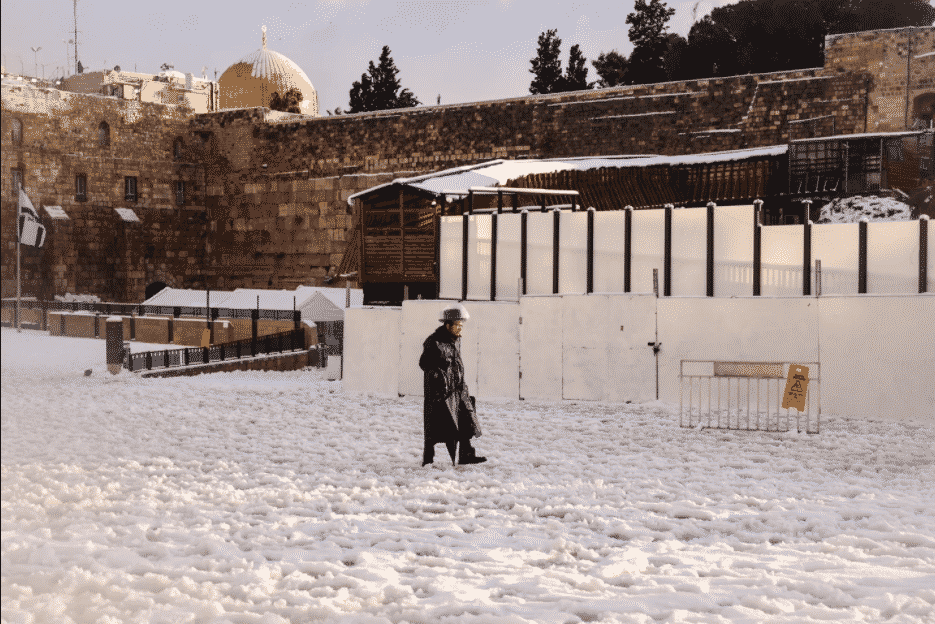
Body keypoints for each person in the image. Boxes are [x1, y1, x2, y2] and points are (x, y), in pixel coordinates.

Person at [418, 303, 486, 466]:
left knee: (466, 418)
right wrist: (438, 376)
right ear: (448, 325)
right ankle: (428, 459)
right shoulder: (434, 342)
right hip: (441, 394)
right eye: (457, 326)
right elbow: (424, 363)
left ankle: (466, 454)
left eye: (461, 326)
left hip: (458, 389)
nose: (460, 329)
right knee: (435, 426)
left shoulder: (454, 341)